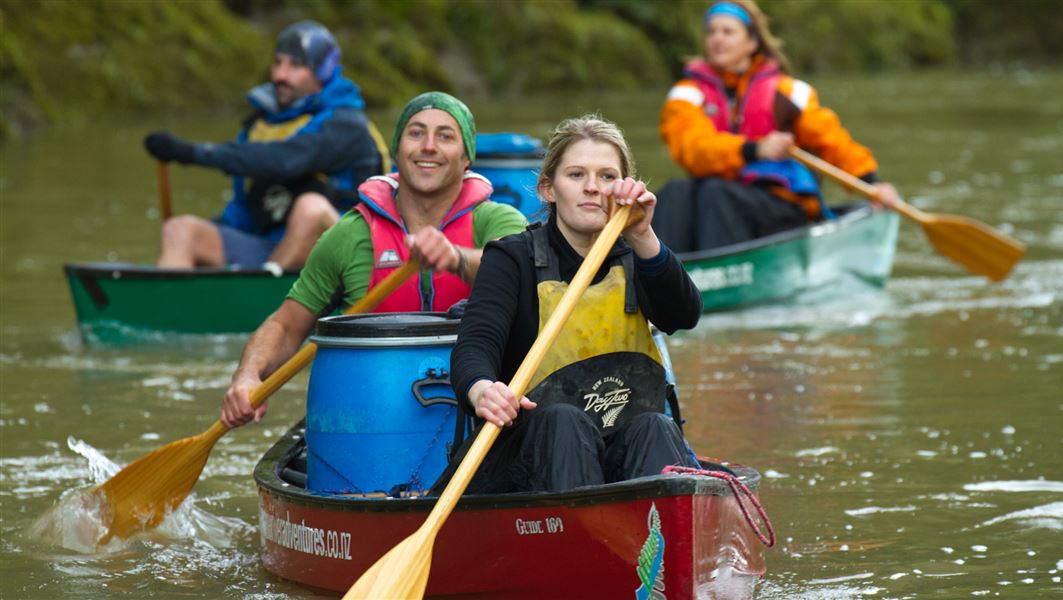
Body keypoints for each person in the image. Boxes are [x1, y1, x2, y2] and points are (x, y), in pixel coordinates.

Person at [219, 91, 528, 428]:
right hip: (373, 420)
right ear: (397, 149)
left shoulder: (499, 222)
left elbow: (519, 273)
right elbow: (286, 325)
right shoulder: (350, 235)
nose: (428, 146)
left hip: (483, 410)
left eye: (445, 136)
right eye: (416, 133)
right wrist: (247, 375)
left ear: (466, 156)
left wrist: (456, 258)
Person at [444, 115, 703, 495]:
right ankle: (577, 542)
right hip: (532, 453)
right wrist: (482, 389)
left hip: (623, 446)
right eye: (577, 175)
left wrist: (644, 235)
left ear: (624, 188)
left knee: (657, 425)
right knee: (564, 420)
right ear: (549, 188)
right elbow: (475, 345)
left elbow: (684, 315)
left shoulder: (638, 256)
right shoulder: (511, 258)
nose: (593, 188)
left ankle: (655, 542)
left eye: (607, 177)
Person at [655, 0, 899, 252]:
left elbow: (832, 141)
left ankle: (721, 276)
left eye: (728, 32)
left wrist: (871, 183)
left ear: (752, 43)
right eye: (711, 32)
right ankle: (663, 275)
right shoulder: (686, 94)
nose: (717, 39)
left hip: (779, 204)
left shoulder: (787, 91)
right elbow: (692, 148)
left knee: (716, 195)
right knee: (675, 192)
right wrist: (753, 149)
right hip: (718, 203)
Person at [145, 20, 389, 271]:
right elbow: (243, 206)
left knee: (310, 209)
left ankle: (270, 299)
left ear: (323, 72)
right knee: (180, 230)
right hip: (270, 249)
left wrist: (192, 153)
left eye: (296, 65)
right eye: (277, 63)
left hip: (340, 257)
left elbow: (284, 160)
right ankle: (167, 300)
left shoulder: (347, 125)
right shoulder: (260, 125)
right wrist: (211, 237)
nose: (280, 75)